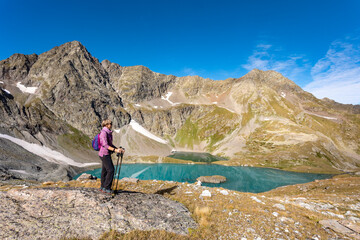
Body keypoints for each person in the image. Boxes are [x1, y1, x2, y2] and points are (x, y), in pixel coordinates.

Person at [98, 119, 124, 194]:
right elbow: (105, 145)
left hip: (105, 154)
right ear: (106, 124)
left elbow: (109, 144)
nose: (111, 125)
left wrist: (117, 149)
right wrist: (115, 150)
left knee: (105, 170)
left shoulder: (108, 132)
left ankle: (103, 187)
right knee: (111, 170)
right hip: (104, 154)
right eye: (110, 123)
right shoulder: (104, 132)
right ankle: (107, 188)